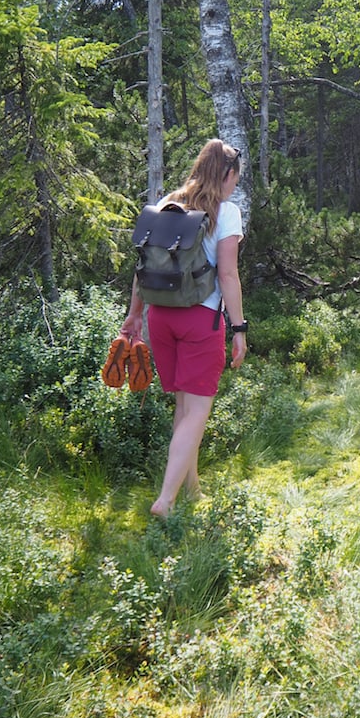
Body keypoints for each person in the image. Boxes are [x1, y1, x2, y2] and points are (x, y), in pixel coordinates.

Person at [118, 139, 248, 518]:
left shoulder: (164, 205)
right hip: (199, 319)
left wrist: (134, 315)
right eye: (235, 178)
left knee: (183, 404)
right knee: (197, 411)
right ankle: (166, 500)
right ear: (226, 174)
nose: (235, 185)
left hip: (160, 316)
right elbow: (228, 273)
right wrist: (238, 328)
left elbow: (143, 267)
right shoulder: (225, 212)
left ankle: (191, 488)